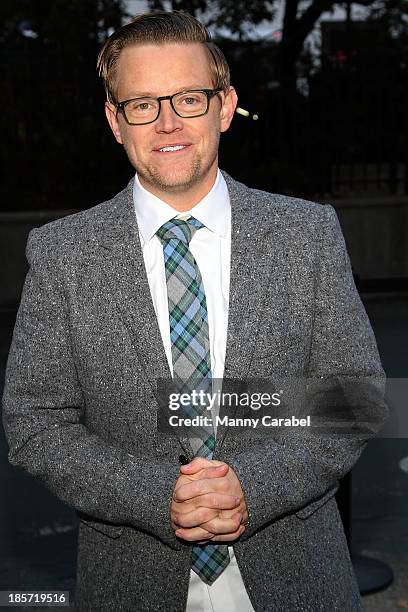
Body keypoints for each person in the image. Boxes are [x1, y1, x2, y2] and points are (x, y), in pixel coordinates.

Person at [2, 10, 387, 612]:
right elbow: (35, 422)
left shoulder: (305, 235)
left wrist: (250, 486)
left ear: (225, 106)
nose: (167, 122)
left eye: (188, 97)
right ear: (114, 121)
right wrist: (160, 496)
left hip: (298, 579)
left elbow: (355, 398)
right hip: (129, 583)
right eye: (143, 104)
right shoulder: (62, 254)